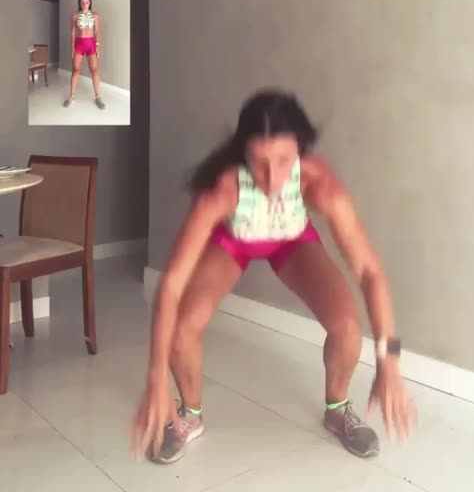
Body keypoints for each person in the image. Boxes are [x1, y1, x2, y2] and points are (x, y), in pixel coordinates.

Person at [132, 88, 416, 464]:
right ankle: (190, 414)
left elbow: (370, 271)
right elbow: (171, 284)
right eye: (259, 162)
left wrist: (389, 362)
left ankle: (337, 409)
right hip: (234, 241)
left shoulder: (320, 183)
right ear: (242, 154)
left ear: (301, 150)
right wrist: (155, 379)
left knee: (348, 328)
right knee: (183, 329)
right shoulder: (222, 190)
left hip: (291, 241)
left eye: (284, 161)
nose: (271, 178)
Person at [63, 0, 105, 110]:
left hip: (91, 44)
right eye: (82, 2)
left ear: (89, 3)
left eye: (87, 2)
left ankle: (98, 97)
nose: (85, 4)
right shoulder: (75, 16)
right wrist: (72, 47)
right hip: (79, 44)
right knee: (75, 70)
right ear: (80, 3)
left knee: (94, 70)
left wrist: (97, 47)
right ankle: (72, 96)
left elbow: (96, 32)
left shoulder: (95, 15)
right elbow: (73, 32)